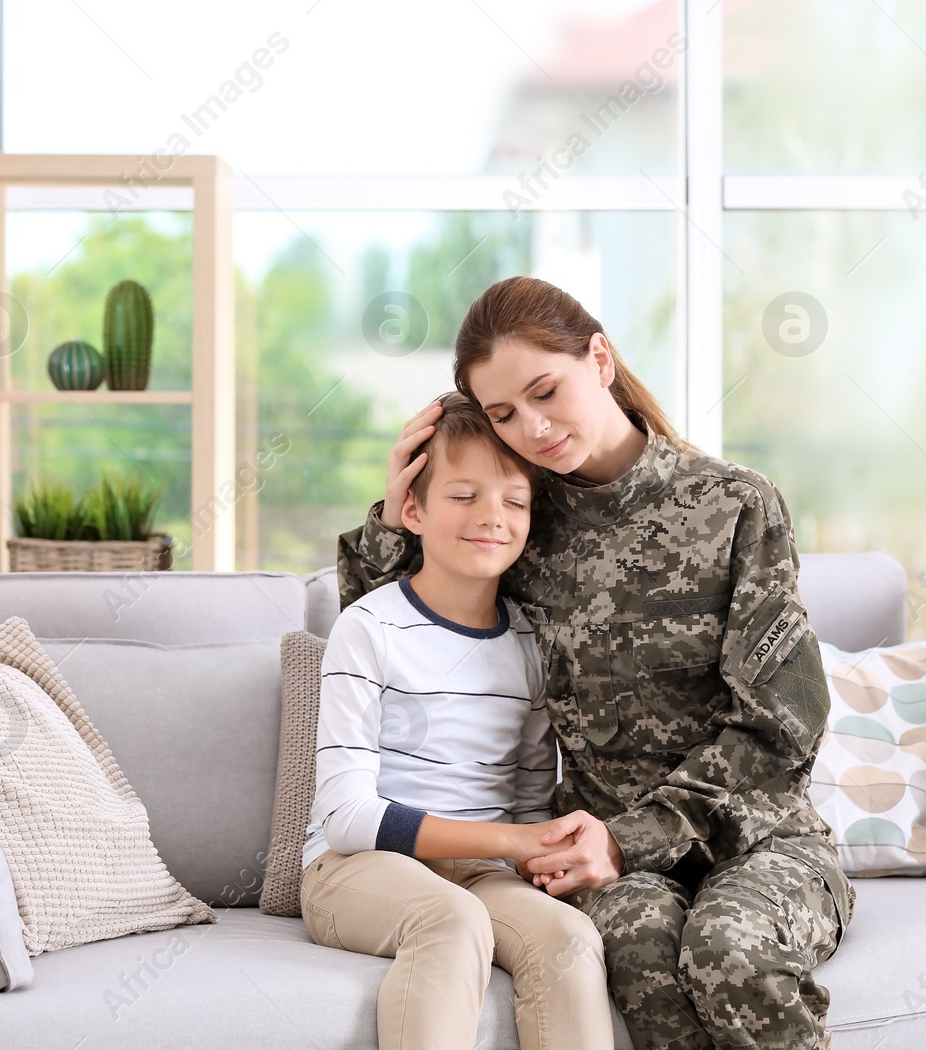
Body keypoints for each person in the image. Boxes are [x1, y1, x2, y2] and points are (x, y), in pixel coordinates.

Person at [338, 276, 854, 1050]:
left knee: (730, 951)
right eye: (505, 415)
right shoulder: (518, 521)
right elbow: (400, 629)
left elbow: (785, 725)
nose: (534, 429)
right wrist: (392, 508)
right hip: (602, 860)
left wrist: (628, 838)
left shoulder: (735, 504)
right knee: (637, 948)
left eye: (547, 391)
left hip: (757, 837)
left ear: (600, 359)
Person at [300, 391, 614, 1050]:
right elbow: (349, 818)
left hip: (480, 870)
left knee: (568, 937)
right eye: (464, 495)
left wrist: (541, 849)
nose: (491, 517)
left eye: (514, 502)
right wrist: (511, 844)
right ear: (411, 509)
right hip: (355, 866)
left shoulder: (527, 644)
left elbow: (528, 801)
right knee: (451, 921)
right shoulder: (368, 627)